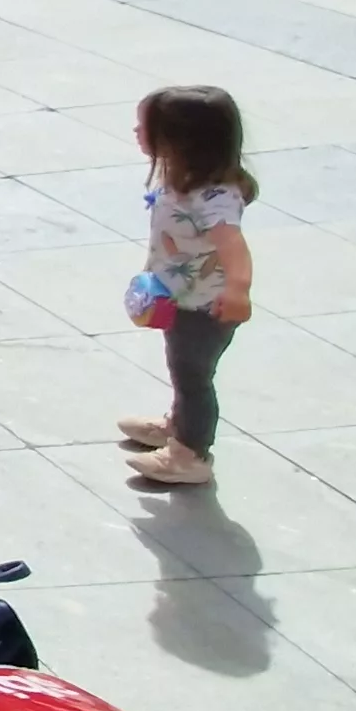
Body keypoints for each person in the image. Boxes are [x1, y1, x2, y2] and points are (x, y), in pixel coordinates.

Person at [121, 86, 257, 489]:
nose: (136, 131)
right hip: (181, 299)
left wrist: (238, 290)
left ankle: (190, 453)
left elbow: (234, 248)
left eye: (145, 127)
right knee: (182, 369)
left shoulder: (212, 198)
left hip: (205, 309)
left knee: (193, 377)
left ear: (180, 139)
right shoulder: (180, 178)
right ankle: (179, 425)